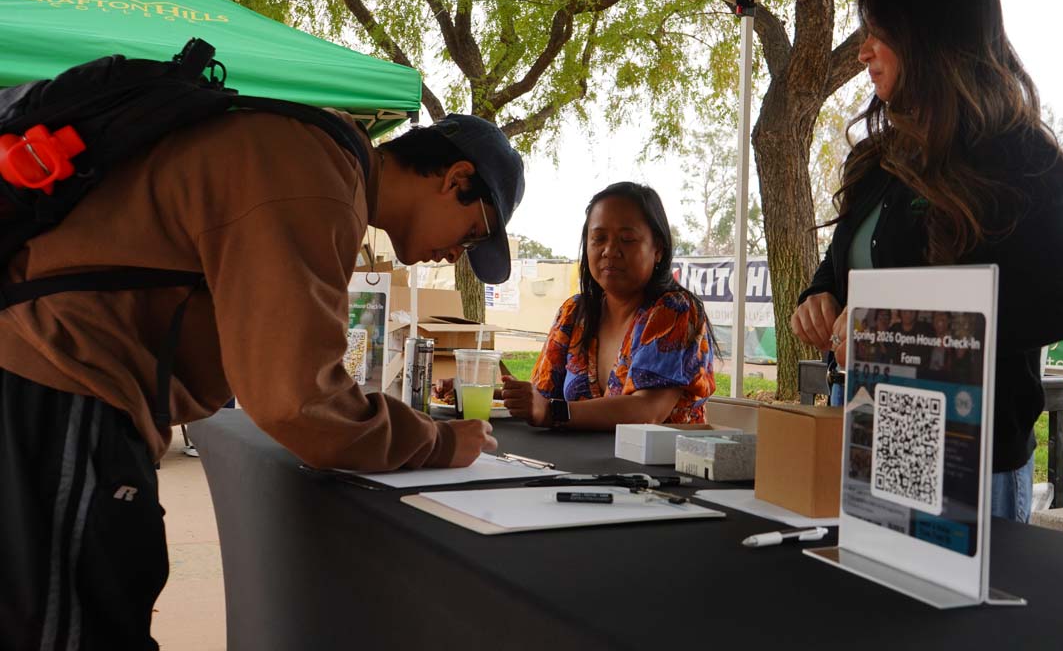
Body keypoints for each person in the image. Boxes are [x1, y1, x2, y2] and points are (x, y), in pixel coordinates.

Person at [0, 110, 522, 649]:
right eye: (472, 234)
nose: (456, 253)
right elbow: (295, 399)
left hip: (62, 388)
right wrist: (436, 441)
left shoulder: (312, 155)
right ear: (455, 178)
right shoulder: (312, 178)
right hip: (60, 388)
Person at [789, 0, 1063, 523]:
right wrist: (817, 298)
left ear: (930, 35)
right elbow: (843, 267)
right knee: (873, 610)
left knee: (954, 616)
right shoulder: (875, 161)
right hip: (869, 433)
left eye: (878, 31)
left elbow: (1057, 307)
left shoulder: (1023, 161)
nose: (862, 53)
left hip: (968, 455)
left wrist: (894, 323)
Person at [501, 182, 717, 429]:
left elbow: (647, 411)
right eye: (598, 238)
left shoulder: (674, 311)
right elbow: (538, 399)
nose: (610, 251)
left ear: (658, 249)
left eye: (627, 239)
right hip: (579, 463)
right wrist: (468, 392)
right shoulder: (574, 314)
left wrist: (554, 412)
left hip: (658, 465)